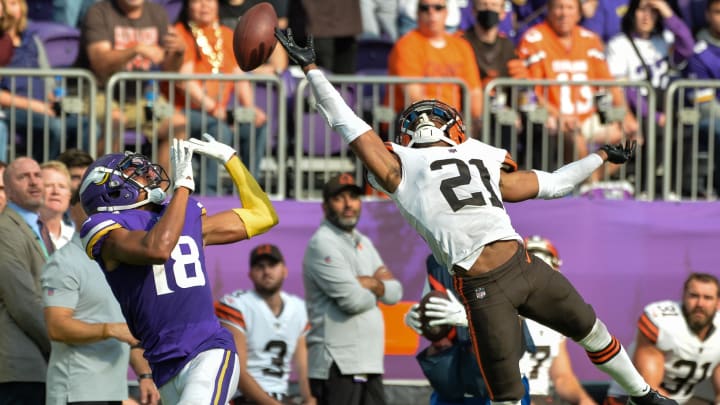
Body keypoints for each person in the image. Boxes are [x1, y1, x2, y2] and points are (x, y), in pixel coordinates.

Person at [274, 27, 677, 405]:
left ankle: (645, 396)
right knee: (542, 369)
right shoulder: (433, 163)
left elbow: (348, 122)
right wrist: (600, 155)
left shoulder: (406, 165)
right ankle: (643, 394)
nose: (428, 123)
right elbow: (555, 183)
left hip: (506, 275)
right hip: (502, 277)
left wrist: (312, 70)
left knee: (570, 348)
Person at [78, 134, 278, 403]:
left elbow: (264, 216)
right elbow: (158, 249)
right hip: (164, 366)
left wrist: (231, 161)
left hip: (209, 349)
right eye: (131, 171)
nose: (147, 172)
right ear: (110, 189)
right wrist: (182, 189)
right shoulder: (105, 227)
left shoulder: (182, 212)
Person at [42, 188, 161, 405]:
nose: (97, 210)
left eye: (103, 204)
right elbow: (56, 327)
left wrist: (144, 375)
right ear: (73, 210)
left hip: (114, 392)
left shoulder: (119, 262)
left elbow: (128, 334)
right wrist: (110, 329)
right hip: (77, 392)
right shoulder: (64, 262)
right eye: (89, 203)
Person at [302, 172, 403, 405]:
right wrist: (379, 289)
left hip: (368, 363)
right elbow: (352, 301)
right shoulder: (322, 243)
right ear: (325, 206)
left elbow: (395, 292)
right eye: (340, 198)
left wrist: (370, 283)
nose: (349, 204)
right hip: (337, 365)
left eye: (354, 197)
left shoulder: (363, 241)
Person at [517, 0, 639, 166]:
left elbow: (609, 83)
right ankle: (589, 187)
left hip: (589, 117)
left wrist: (627, 116)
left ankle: (591, 183)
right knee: (576, 140)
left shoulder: (590, 40)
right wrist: (559, 116)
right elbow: (530, 91)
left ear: (579, 13)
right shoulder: (534, 39)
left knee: (631, 137)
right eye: (559, 7)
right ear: (549, 10)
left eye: (569, 8)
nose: (564, 13)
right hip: (553, 117)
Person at [404, 253, 533, 405]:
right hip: (452, 381)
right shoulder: (437, 262)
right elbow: (434, 322)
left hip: (498, 382)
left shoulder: (501, 255)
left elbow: (515, 316)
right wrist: (417, 320)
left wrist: (467, 318)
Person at [77, 0, 187, 171]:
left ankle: (165, 192)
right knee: (115, 120)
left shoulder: (156, 13)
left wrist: (179, 52)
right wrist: (136, 49)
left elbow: (169, 69)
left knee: (178, 124)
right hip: (102, 93)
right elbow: (99, 62)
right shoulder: (99, 12)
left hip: (143, 96)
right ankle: (106, 185)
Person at [172, 0, 269, 191]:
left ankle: (249, 191)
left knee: (256, 126)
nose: (204, 5)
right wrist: (213, 109)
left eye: (209, 0)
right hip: (184, 111)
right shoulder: (180, 33)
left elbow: (238, 76)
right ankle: (210, 193)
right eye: (197, 1)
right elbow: (186, 81)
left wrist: (249, 108)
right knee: (218, 131)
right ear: (188, 6)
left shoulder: (226, 34)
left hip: (220, 112)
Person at [215, 243, 316, 405]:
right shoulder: (237, 304)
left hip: (282, 395)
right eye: (260, 266)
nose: (267, 271)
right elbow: (237, 370)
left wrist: (309, 398)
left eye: (272, 265)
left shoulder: (298, 308)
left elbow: (302, 365)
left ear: (285, 270)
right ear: (250, 274)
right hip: (245, 398)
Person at [0, 0, 96, 163]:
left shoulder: (32, 41)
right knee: (54, 127)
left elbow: (48, 77)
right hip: (13, 109)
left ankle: (78, 173)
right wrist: (36, 106)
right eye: (6, 5)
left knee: (88, 125)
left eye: (14, 4)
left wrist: (55, 98)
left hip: (44, 107)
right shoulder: (2, 44)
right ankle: (46, 173)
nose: (9, 11)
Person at [603, 273, 720, 405]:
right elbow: (649, 391)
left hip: (681, 401)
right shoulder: (663, 322)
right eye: (694, 296)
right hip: (632, 400)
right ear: (684, 297)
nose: (700, 304)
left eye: (708, 298)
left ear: (718, 303)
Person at [520, 236, 597, 405]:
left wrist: (583, 399)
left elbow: (562, 377)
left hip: (542, 399)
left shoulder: (556, 318)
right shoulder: (501, 308)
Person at [0, 156, 51, 404]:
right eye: (23, 177)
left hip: (40, 369)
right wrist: (61, 345)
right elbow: (22, 302)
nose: (33, 182)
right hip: (20, 368)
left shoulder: (38, 227)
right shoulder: (4, 230)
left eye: (37, 175)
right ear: (7, 189)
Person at [388, 0, 484, 130]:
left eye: (438, 7)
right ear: (417, 13)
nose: (431, 12)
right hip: (412, 121)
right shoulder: (406, 45)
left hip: (452, 122)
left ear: (446, 12)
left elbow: (474, 92)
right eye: (425, 8)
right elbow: (415, 98)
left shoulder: (462, 46)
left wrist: (473, 121)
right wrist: (450, 122)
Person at [606, 0, 694, 130]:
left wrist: (667, 13)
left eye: (653, 11)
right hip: (641, 114)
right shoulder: (618, 45)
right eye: (641, 10)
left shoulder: (666, 39)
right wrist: (655, 116)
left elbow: (688, 46)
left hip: (667, 106)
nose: (646, 16)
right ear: (632, 12)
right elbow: (625, 88)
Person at [685, 0, 720, 194]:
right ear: (707, 14)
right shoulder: (698, 52)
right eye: (718, 12)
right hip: (708, 119)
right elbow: (705, 105)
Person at [217, 0, 289, 75]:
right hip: (224, 74)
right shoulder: (213, 8)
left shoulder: (261, 8)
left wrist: (253, 71)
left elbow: (279, 63)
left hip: (254, 77)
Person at [39, 161, 74, 250]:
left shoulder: (76, 238)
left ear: (69, 195)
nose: (56, 192)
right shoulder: (25, 234)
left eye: (62, 186)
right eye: (48, 185)